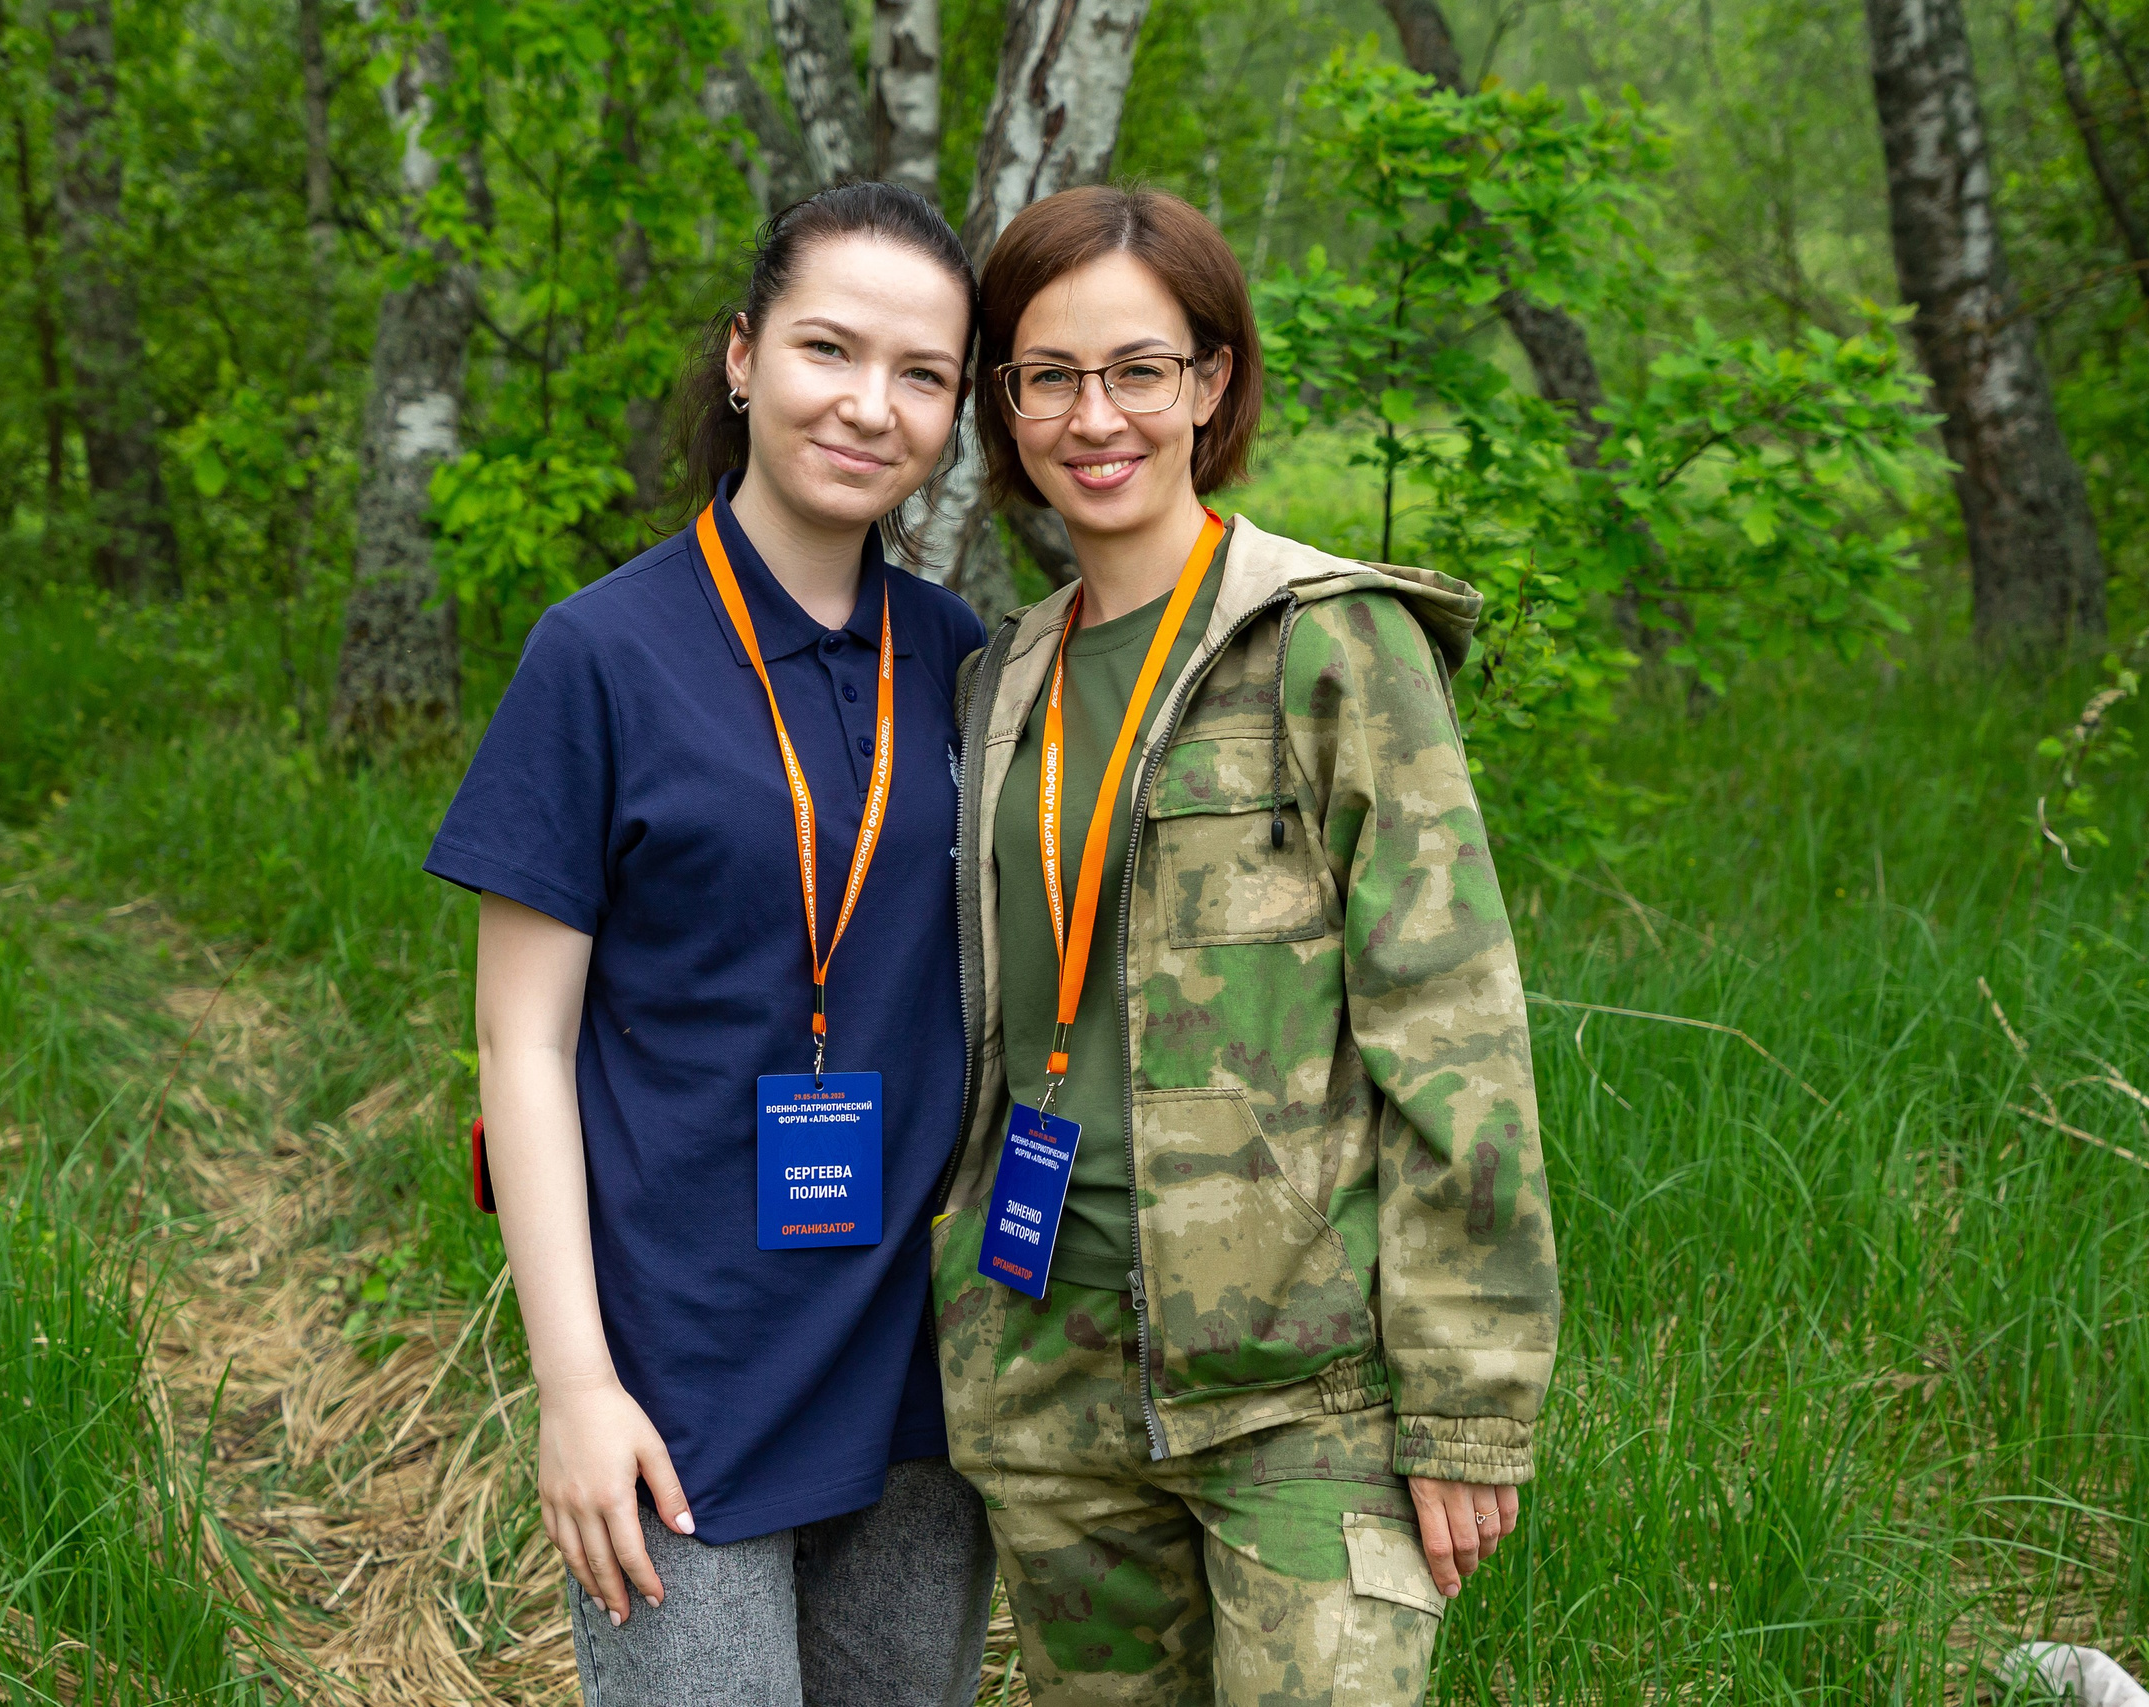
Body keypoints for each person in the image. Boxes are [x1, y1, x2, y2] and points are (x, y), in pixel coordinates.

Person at [929, 184, 1560, 1705]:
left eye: (1140, 369)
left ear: (1211, 383)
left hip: (1311, 1396)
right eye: (1049, 377)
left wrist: (1467, 1407)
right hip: (1051, 1372)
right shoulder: (998, 677)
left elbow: (1454, 1027)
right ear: (1003, 407)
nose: (1097, 417)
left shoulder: (1333, 646)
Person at [425, 182, 996, 1707]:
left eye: (923, 375)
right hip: (680, 1378)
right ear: (742, 357)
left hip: (920, 1379)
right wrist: (575, 1389)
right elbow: (523, 1047)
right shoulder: (599, 657)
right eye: (828, 348)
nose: (870, 406)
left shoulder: (970, 668)